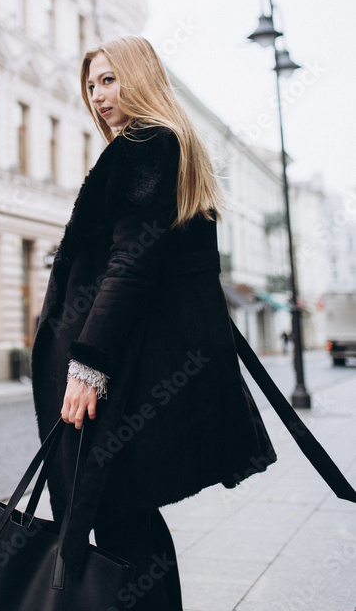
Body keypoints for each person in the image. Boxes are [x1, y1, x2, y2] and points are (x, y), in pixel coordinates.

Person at [31, 36, 276, 609]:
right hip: (135, 363)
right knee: (127, 514)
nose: (98, 96)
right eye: (92, 84)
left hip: (119, 367)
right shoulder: (165, 146)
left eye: (110, 80)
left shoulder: (147, 145)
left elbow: (131, 263)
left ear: (140, 78)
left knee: (118, 516)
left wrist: (88, 363)